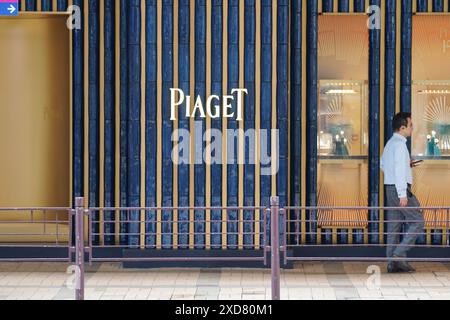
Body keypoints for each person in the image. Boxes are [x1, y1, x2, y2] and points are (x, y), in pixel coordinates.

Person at [380, 112, 425, 273]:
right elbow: (399, 170)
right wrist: (402, 194)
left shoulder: (390, 143)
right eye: (410, 125)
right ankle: (398, 255)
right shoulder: (400, 145)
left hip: (389, 188)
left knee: (394, 226)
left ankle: (392, 263)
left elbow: (383, 164)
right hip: (400, 189)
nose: (412, 128)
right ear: (402, 128)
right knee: (418, 220)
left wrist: (407, 165)